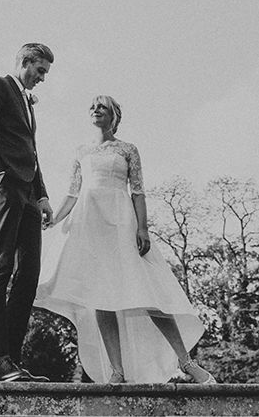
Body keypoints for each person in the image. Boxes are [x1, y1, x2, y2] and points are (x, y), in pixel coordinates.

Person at [35, 95, 215, 384]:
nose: (95, 109)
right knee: (101, 298)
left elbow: (138, 191)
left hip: (121, 223)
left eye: (102, 106)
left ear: (114, 116)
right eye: (92, 105)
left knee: (149, 294)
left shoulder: (128, 149)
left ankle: (186, 362)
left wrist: (142, 229)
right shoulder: (81, 151)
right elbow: (73, 193)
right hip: (90, 227)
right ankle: (117, 371)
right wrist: (56, 218)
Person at [0, 43, 54, 382]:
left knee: (28, 275)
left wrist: (43, 195)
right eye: (40, 71)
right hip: (3, 189)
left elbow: (30, 152)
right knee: (0, 268)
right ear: (24, 62)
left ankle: (14, 362)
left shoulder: (27, 103)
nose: (43, 78)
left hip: (29, 195)